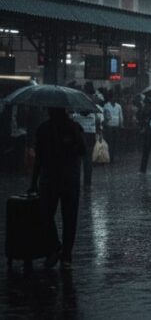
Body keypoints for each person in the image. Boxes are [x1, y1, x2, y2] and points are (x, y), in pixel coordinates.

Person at [28, 108, 86, 269]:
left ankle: (64, 253)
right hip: (59, 180)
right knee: (55, 216)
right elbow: (39, 157)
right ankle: (59, 249)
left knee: (56, 215)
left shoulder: (72, 128)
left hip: (59, 179)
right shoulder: (45, 129)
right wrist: (34, 182)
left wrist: (34, 182)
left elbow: (82, 149)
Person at [71, 107, 99, 190]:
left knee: (78, 161)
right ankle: (87, 183)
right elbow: (98, 123)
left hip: (79, 137)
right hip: (90, 136)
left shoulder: (75, 116)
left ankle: (77, 182)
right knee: (88, 160)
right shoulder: (94, 115)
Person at [101, 92, 123, 163]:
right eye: (113, 97)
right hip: (109, 126)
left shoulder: (118, 106)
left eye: (116, 97)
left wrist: (121, 124)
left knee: (115, 142)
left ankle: (113, 156)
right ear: (110, 98)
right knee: (109, 142)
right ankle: (109, 157)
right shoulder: (106, 106)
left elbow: (121, 116)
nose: (115, 98)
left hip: (116, 126)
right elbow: (104, 116)